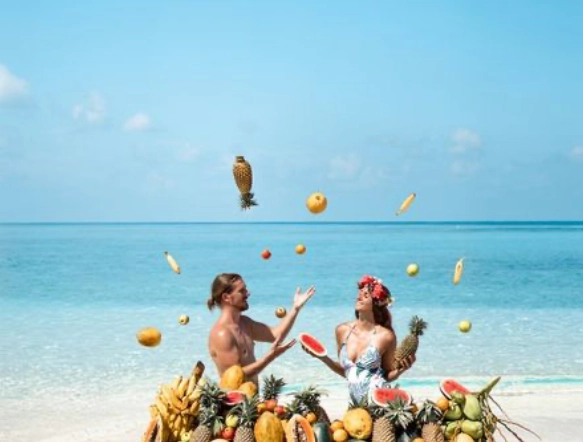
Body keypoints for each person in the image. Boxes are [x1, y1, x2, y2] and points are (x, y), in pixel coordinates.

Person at [306, 274, 416, 403]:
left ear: (376, 303)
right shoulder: (342, 330)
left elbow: (386, 375)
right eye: (359, 293)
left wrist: (401, 371)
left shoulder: (386, 336)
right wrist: (322, 358)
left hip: (379, 404)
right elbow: (347, 372)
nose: (359, 297)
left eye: (366, 295)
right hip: (356, 406)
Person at [207, 273, 316, 384]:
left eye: (245, 289)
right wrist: (269, 357)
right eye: (242, 291)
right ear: (226, 297)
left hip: (253, 394)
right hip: (236, 395)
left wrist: (296, 308)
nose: (247, 293)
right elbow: (234, 378)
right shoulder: (222, 334)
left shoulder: (245, 323)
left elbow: (275, 335)